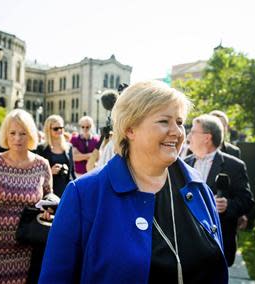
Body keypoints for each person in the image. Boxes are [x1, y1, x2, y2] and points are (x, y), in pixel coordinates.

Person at [39, 81, 228, 283]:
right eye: (164, 121)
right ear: (130, 129)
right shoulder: (84, 194)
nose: (177, 132)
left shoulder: (199, 189)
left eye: (180, 122)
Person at [0, 109, 53, 284]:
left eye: (23, 133)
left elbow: (48, 195)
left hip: (28, 247)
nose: (17, 138)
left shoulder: (42, 165)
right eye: (12, 133)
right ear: (6, 135)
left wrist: (49, 209)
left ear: (30, 135)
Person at [185, 114, 254, 267]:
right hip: (187, 242)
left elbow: (247, 200)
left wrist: (228, 205)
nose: (188, 136)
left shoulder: (234, 166)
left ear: (207, 138)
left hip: (217, 244)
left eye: (193, 132)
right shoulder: (184, 164)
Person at [37, 115, 76, 197]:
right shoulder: (41, 148)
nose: (59, 130)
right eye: (56, 129)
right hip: (50, 191)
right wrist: (50, 172)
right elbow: (36, 174)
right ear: (48, 130)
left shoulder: (68, 147)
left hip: (67, 189)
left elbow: (72, 172)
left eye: (61, 128)